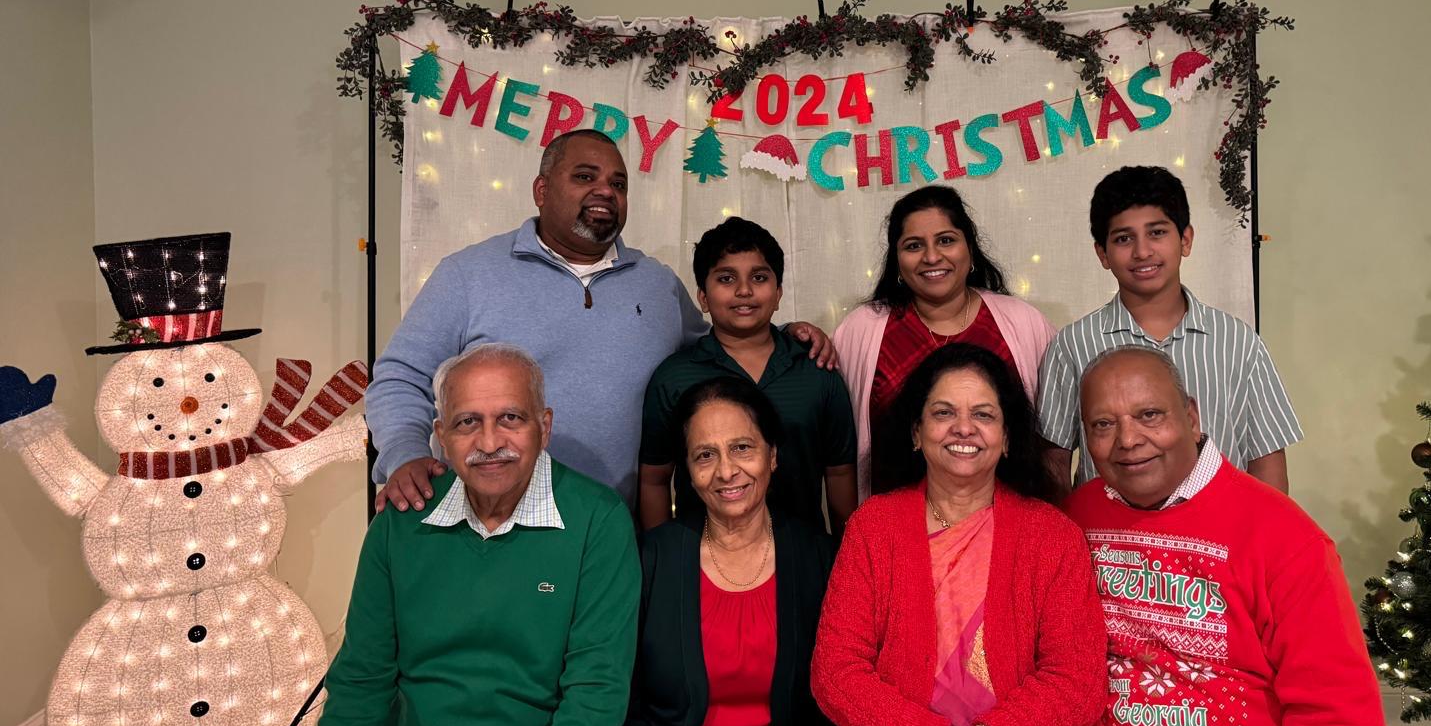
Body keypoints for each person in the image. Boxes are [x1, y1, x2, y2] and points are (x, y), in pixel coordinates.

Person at [292, 342, 640, 726]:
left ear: (545, 426)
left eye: (511, 419)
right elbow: (361, 683)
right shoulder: (401, 520)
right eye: (467, 422)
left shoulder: (598, 520)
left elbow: (594, 697)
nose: (490, 443)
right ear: (440, 436)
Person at [365, 129, 834, 515]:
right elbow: (400, 376)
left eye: (619, 183)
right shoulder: (469, 274)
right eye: (585, 176)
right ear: (542, 190)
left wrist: (785, 334)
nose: (606, 191)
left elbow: (719, 350)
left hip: (614, 533)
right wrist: (405, 453)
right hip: (488, 526)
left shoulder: (658, 285)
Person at [1067, 345, 1387, 726]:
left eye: (1150, 415)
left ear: (1192, 417)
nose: (1128, 440)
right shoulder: (1079, 518)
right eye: (1103, 424)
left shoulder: (1284, 539)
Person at [811, 343, 1127, 726]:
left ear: (1007, 438)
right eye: (943, 413)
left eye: (983, 414)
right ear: (916, 433)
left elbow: (1076, 680)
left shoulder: (1052, 536)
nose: (964, 428)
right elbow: (837, 673)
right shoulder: (874, 528)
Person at [607, 376, 839, 726]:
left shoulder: (819, 560)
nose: (727, 471)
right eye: (705, 455)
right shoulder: (649, 560)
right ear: (687, 472)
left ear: (773, 456)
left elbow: (832, 714)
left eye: (742, 448)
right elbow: (617, 710)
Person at [1036, 165, 1301, 493]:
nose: (1142, 251)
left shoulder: (1238, 341)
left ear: (1185, 240)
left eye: (1157, 232)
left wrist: (1265, 526)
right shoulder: (1072, 345)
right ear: (1102, 253)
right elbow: (1054, 461)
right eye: (1123, 238)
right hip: (1108, 525)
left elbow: (1266, 462)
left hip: (1220, 523)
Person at [639, 217, 857, 535]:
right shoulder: (674, 377)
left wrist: (846, 552)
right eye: (726, 279)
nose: (744, 290)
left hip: (803, 552)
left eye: (759, 277)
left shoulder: (816, 369)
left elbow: (839, 474)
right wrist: (662, 553)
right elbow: (654, 479)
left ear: (778, 292)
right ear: (703, 297)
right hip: (701, 553)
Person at [834, 185, 1053, 497]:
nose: (932, 256)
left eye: (946, 240)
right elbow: (834, 438)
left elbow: (1050, 441)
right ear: (897, 259)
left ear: (970, 248)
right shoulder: (860, 330)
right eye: (914, 246)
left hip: (1008, 517)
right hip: (895, 518)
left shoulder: (1024, 323)